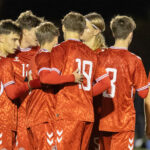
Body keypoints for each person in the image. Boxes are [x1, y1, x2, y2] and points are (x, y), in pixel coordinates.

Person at [50, 11, 110, 150]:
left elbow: (51, 78)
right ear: (82, 29)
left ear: (63, 28)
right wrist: (87, 93)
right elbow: (105, 82)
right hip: (87, 113)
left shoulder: (60, 49)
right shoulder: (91, 53)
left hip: (67, 112)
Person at [26, 21, 83, 150]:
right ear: (54, 38)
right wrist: (72, 77)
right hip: (44, 113)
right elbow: (46, 78)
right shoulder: (45, 55)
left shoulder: (34, 57)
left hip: (35, 114)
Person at [97, 15, 149, 150]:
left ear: (113, 33)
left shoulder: (100, 56)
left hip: (103, 119)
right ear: (131, 34)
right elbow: (143, 93)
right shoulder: (135, 60)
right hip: (123, 122)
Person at [0, 19, 40, 150]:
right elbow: (12, 93)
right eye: (13, 40)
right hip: (5, 120)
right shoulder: (6, 62)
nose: (17, 44)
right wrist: (30, 84)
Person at [13, 10, 43, 150]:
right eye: (35, 32)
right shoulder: (8, 52)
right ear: (24, 31)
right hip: (10, 113)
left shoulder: (41, 53)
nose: (39, 36)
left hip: (34, 113)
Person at [81, 12, 107, 150]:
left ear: (96, 30)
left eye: (85, 27)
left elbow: (105, 83)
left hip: (99, 111)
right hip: (81, 111)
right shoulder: (77, 52)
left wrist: (85, 95)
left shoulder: (102, 54)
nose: (81, 30)